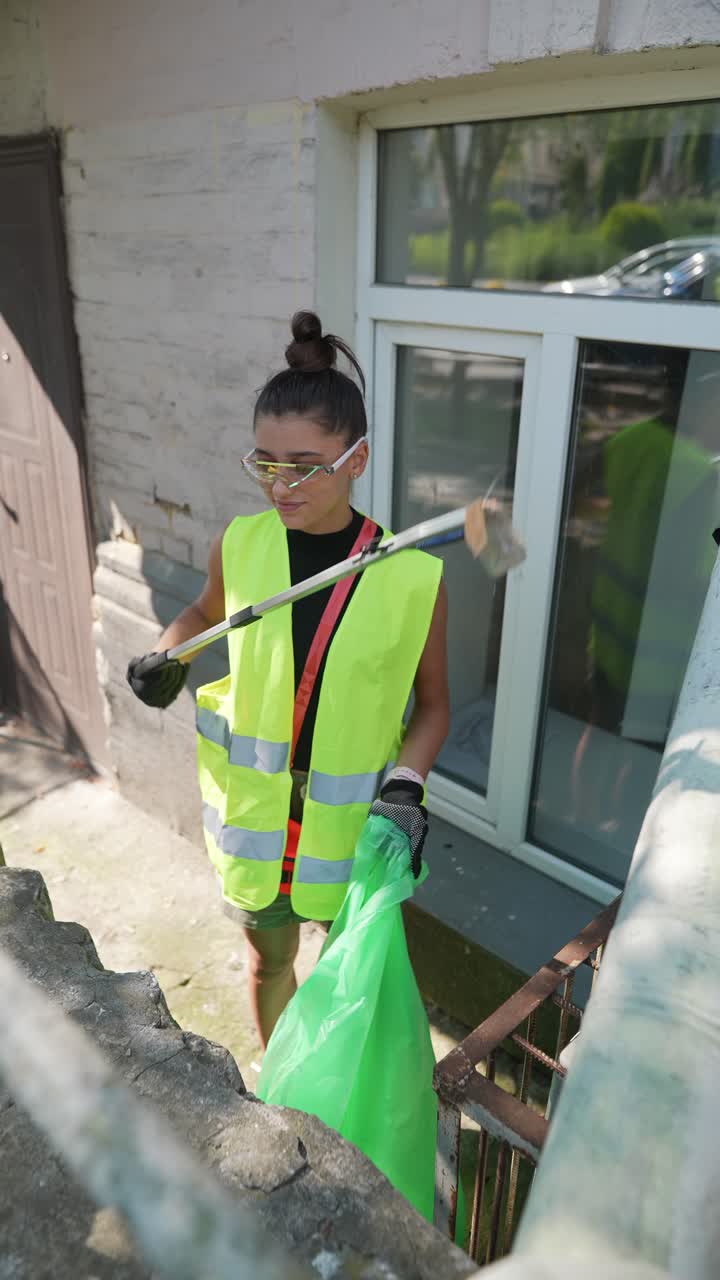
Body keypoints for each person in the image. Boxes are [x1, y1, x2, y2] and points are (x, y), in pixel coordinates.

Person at [127, 312, 449, 1048]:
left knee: (344, 979)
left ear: (358, 459)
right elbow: (202, 613)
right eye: (265, 462)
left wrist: (406, 788)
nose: (282, 483)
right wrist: (164, 653)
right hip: (256, 819)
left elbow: (434, 707)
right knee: (267, 964)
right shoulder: (239, 543)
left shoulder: (411, 578)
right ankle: (279, 1086)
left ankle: (324, 1089)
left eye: (306, 463)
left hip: (356, 826)